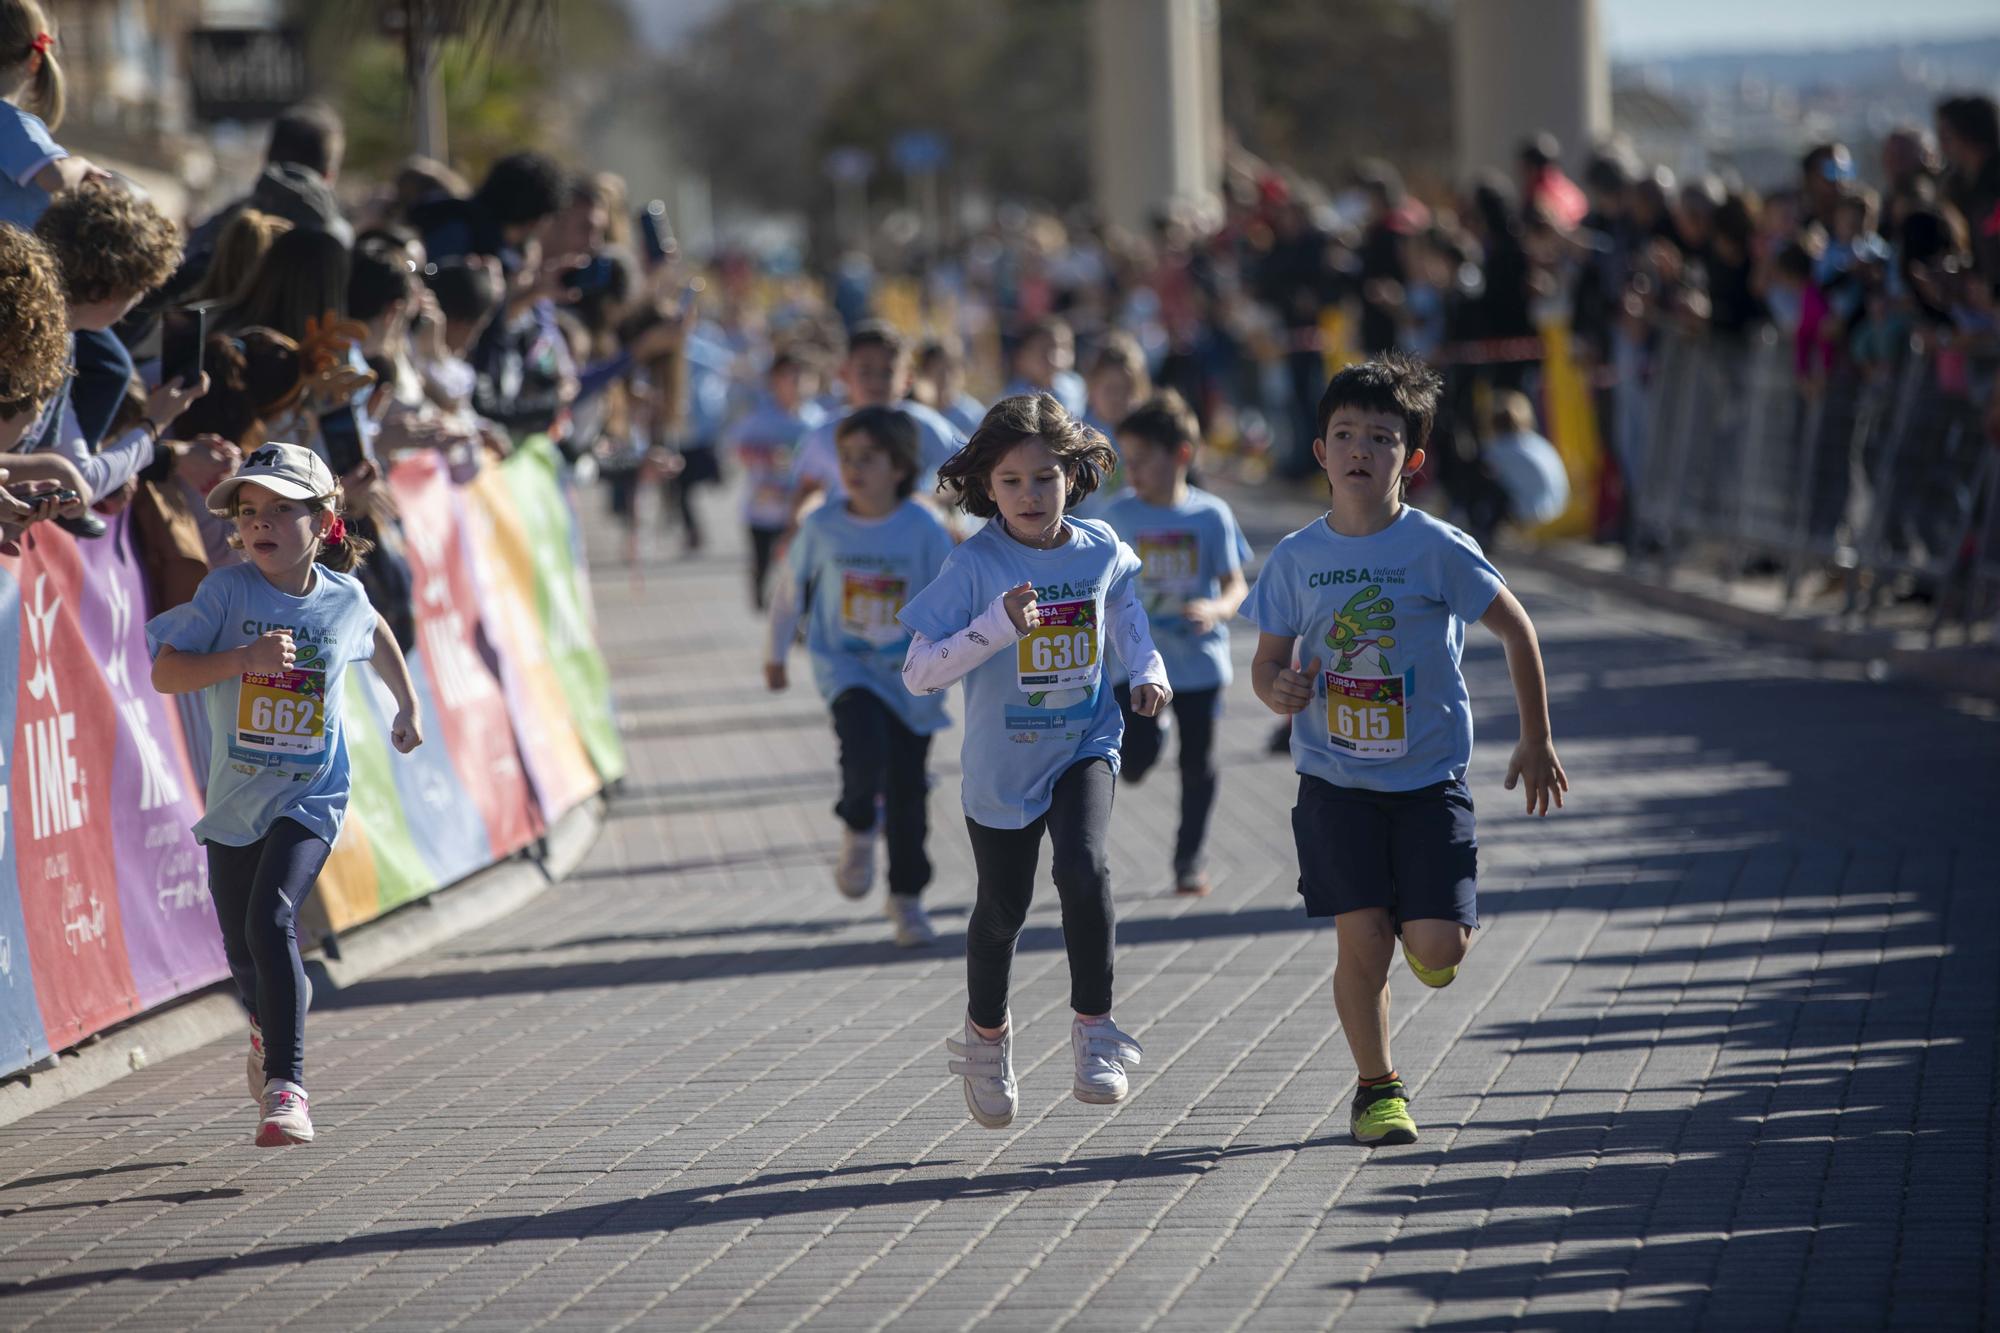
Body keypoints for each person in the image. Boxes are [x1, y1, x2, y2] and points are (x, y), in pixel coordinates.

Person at [1241, 355, 1567, 1148]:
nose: (1361, 449)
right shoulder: (1295, 558)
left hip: (1428, 781)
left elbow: (1517, 628)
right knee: (1363, 938)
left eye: (1381, 437)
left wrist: (1536, 735)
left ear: (1411, 461)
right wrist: (1276, 691)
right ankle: (1377, 1088)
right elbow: (1266, 660)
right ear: (1319, 451)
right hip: (1334, 781)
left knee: (1437, 947)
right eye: (1345, 434)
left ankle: (1428, 931)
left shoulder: (1437, 548)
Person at [897, 392, 1171, 1129]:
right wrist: (994, 626)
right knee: (1002, 912)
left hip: (1084, 739)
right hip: (1002, 763)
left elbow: (1125, 613)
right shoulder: (975, 562)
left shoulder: (1102, 548)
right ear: (988, 485)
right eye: (1012, 480)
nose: (1029, 494)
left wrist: (1147, 670)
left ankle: (1095, 1030)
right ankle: (987, 1040)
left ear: (1073, 476)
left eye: (1045, 477)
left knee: (1084, 867)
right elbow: (919, 671)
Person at [147, 442, 423, 1148]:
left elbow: (377, 631)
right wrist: (242, 660)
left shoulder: (344, 598)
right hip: (236, 801)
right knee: (245, 950)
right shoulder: (226, 593)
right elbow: (167, 674)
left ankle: (286, 1089)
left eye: (280, 509)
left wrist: (407, 704)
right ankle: (270, 1022)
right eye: (248, 511)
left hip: (311, 795)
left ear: (325, 520)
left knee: (273, 918)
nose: (260, 523)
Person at [766, 407, 953, 947]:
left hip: (912, 674)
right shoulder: (822, 524)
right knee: (862, 747)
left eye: (867, 459)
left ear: (899, 467)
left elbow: (955, 592)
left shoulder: (923, 527)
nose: (852, 468)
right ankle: (856, 824)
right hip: (845, 664)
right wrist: (775, 654)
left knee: (908, 791)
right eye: (846, 458)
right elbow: (789, 590)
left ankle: (907, 899)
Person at [1097, 391, 1250, 896]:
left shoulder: (1210, 516)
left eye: (1141, 461)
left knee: (1198, 765)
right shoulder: (1117, 517)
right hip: (1136, 663)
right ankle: (1147, 740)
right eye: (1127, 461)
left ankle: (1189, 859)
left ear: (1181, 454)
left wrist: (1216, 609)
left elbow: (1235, 584)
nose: (1131, 472)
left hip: (1200, 663)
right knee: (1134, 759)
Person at [26, 184, 206, 510]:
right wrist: (154, 423)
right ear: (111, 292)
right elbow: (80, 484)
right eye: (141, 291)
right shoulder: (45, 339)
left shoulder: (51, 326)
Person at [787, 321, 961, 521]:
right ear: (844, 375)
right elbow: (807, 488)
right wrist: (802, 526)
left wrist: (935, 503)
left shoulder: (925, 426)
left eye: (887, 372)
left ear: (907, 379)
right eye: (865, 371)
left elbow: (968, 471)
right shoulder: (825, 434)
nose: (876, 381)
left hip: (910, 541)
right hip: (848, 543)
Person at [726, 348, 820, 608]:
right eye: (790, 377)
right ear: (775, 381)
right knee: (763, 560)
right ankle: (759, 588)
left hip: (799, 509)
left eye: (803, 378)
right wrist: (767, 456)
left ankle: (803, 613)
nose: (797, 384)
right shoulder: (760, 417)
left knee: (805, 563)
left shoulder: (815, 420)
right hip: (762, 508)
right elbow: (736, 449)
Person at [1470, 389, 1570, 542]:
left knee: (1483, 479)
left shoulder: (1499, 448)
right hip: (1560, 507)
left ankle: (1484, 531)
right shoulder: (1537, 442)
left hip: (1534, 513)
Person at [1002, 316, 1086, 417]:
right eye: (1043, 349)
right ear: (1022, 355)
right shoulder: (1010, 399)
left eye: (1064, 347)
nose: (1055, 356)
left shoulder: (1077, 388)